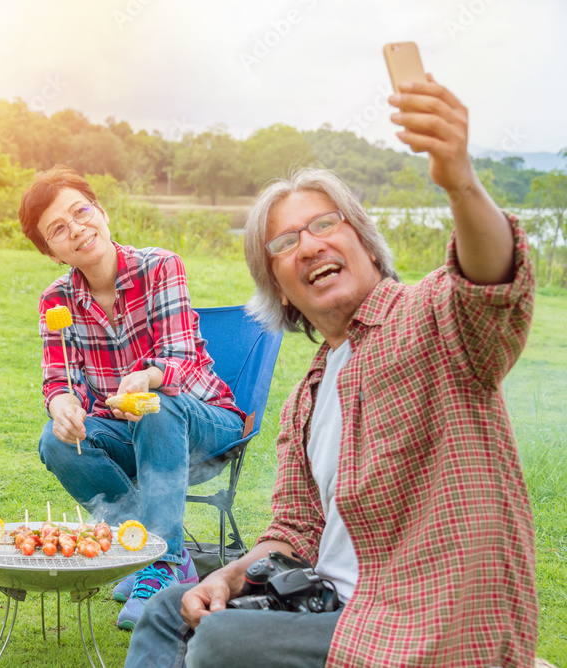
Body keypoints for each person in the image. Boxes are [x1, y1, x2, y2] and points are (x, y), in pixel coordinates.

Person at [126, 77, 539, 667]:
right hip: (327, 603)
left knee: (218, 644)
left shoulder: (432, 320)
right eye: (285, 243)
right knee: (171, 607)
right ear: (283, 293)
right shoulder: (308, 395)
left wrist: (459, 181)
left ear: (366, 244)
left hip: (415, 621)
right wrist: (228, 579)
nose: (309, 246)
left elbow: (490, 285)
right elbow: (294, 530)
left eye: (324, 225)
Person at [18, 165, 246, 630]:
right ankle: (151, 552)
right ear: (51, 251)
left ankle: (160, 563)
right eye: (58, 230)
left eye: (81, 212)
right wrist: (61, 406)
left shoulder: (159, 265)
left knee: (156, 411)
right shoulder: (55, 300)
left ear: (100, 210)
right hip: (128, 432)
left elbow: (180, 357)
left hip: (204, 421)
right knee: (55, 442)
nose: (77, 229)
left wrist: (146, 377)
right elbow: (58, 380)